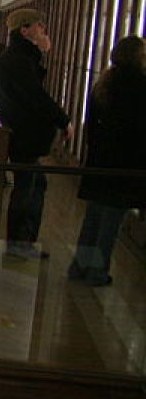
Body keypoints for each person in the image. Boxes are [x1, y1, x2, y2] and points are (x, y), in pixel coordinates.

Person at [0, 7, 73, 259]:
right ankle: (19, 244)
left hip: (21, 134)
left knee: (35, 185)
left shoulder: (17, 57)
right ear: (25, 30)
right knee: (28, 188)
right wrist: (63, 120)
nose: (43, 31)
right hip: (22, 136)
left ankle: (23, 241)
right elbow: (35, 96)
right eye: (39, 26)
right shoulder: (18, 59)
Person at [67, 35, 146, 287]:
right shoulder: (140, 86)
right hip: (126, 166)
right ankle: (97, 271)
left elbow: (90, 125)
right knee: (110, 222)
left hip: (100, 161)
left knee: (94, 217)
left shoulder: (104, 83)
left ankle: (80, 265)